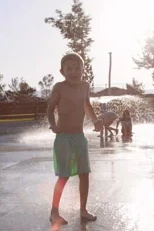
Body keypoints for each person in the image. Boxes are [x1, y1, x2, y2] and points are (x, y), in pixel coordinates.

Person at [47, 53, 103, 226]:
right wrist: (53, 125)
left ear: (83, 69)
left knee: (84, 174)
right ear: (62, 71)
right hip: (64, 138)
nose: (73, 71)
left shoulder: (85, 86)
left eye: (77, 67)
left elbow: (87, 105)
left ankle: (83, 210)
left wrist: (95, 120)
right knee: (64, 176)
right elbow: (49, 109)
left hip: (79, 137)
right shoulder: (59, 87)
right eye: (69, 68)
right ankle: (54, 212)